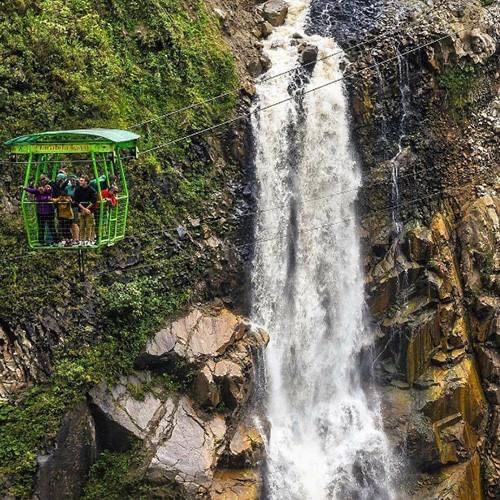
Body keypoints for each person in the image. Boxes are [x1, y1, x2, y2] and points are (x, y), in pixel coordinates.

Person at [23, 175, 56, 245]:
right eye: (41, 180)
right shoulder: (38, 192)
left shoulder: (48, 189)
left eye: (44, 179)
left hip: (49, 212)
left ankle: (55, 240)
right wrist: (25, 188)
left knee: (51, 226)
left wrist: (46, 189)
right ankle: (41, 241)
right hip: (40, 212)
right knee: (41, 227)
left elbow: (50, 190)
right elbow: (32, 190)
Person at [74, 175, 97, 244]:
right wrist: (83, 209)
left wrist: (87, 209)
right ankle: (82, 240)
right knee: (81, 225)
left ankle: (89, 240)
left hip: (89, 210)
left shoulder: (91, 190)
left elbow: (93, 201)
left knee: (89, 225)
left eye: (81, 180)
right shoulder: (77, 190)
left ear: (86, 182)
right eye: (80, 180)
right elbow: (76, 201)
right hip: (81, 210)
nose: (80, 182)